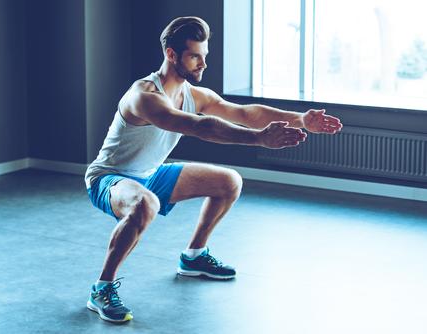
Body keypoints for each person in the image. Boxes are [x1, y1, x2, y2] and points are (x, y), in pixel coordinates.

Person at [84, 16, 342, 323]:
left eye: (204, 57)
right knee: (145, 203)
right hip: (110, 178)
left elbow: (245, 112)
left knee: (229, 181)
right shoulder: (144, 97)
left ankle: (193, 257)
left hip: (151, 173)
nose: (202, 65)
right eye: (194, 56)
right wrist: (259, 139)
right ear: (171, 54)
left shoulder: (195, 94)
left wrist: (300, 119)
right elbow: (199, 126)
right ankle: (102, 288)